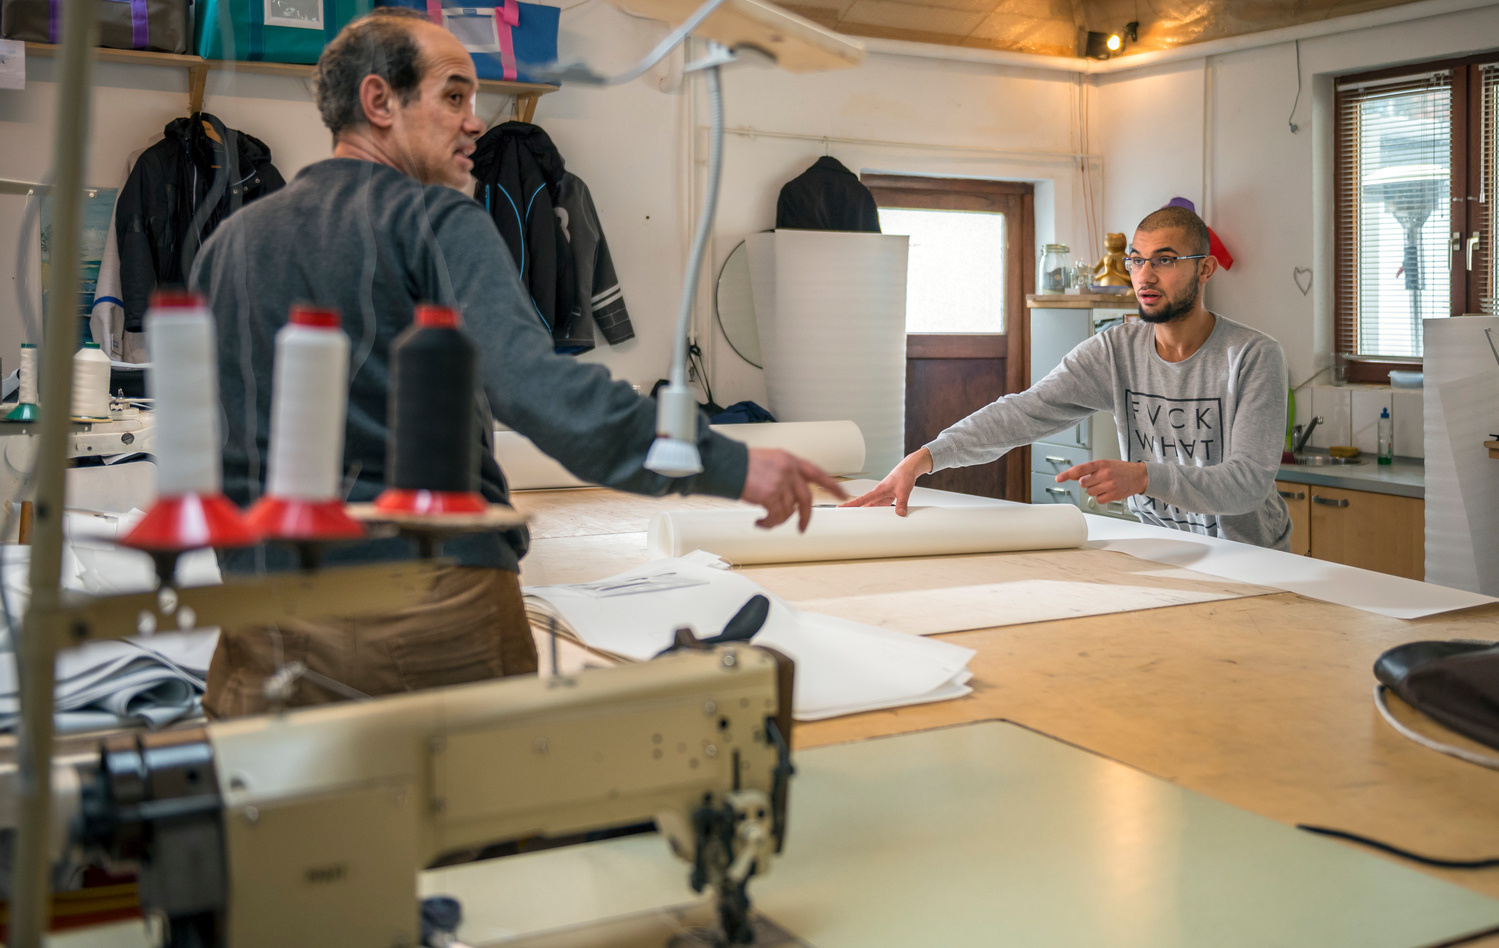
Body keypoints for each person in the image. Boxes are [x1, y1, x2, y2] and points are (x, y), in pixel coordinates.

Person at [191, 8, 843, 716]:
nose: (476, 120)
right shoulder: (437, 221)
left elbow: (208, 438)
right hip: (422, 617)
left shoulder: (229, 243)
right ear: (378, 102)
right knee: (485, 817)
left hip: (260, 618)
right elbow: (538, 391)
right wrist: (735, 463)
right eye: (452, 95)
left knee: (290, 827)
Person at [848, 206, 1291, 551]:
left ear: (1205, 269)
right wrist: (925, 457)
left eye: (1166, 260)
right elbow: (1024, 412)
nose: (1145, 276)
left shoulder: (1252, 356)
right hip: (1169, 548)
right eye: (1137, 260)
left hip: (1253, 557)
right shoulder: (1116, 350)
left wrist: (1142, 477)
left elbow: (1246, 484)